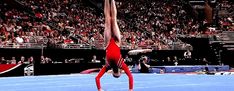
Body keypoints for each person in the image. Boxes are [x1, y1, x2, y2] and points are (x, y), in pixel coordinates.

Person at [95, 0, 133, 91]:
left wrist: (131, 89)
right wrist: (99, 89)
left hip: (111, 43)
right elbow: (97, 78)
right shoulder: (114, 65)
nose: (117, 71)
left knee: (110, 19)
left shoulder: (112, 65)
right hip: (112, 43)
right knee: (110, 19)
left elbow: (130, 77)